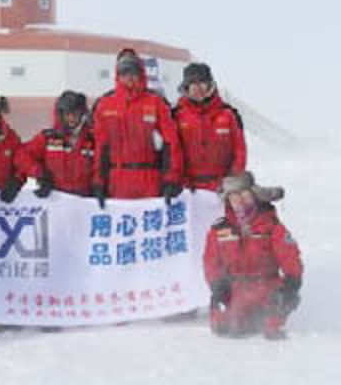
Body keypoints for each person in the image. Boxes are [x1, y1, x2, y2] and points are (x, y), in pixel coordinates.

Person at [203, 171, 303, 340]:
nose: (239, 200)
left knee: (271, 323)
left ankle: (274, 317)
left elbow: (289, 254)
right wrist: (217, 284)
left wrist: (292, 280)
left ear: (254, 195)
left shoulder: (271, 225)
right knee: (226, 328)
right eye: (233, 196)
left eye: (244, 194)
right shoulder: (219, 230)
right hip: (236, 288)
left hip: (267, 284)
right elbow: (210, 261)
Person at [91, 48, 184, 207]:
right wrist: (98, 181)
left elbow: (171, 142)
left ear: (141, 74)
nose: (129, 77)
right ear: (118, 76)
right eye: (124, 73)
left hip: (149, 180)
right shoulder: (105, 105)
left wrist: (171, 179)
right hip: (117, 183)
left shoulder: (155, 102)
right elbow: (100, 147)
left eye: (133, 72)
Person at [173, 63, 247, 192]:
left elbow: (239, 150)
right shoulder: (176, 115)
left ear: (210, 86)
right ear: (186, 88)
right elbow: (171, 152)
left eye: (203, 84)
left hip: (222, 187)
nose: (198, 89)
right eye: (193, 85)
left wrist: (232, 179)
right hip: (188, 189)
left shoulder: (228, 114)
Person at [15, 90, 94, 197]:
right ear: (61, 115)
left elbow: (103, 167)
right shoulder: (48, 138)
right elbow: (21, 156)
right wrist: (39, 173)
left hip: (84, 199)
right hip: (56, 198)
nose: (72, 118)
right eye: (68, 114)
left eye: (76, 114)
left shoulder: (93, 139)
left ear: (82, 114)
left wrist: (99, 187)